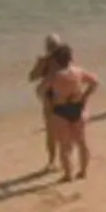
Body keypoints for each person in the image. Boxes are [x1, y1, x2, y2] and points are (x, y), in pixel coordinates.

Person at [39, 41, 97, 181]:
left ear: (55, 61)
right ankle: (83, 171)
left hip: (60, 110)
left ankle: (68, 174)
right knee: (81, 142)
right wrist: (84, 96)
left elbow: (40, 90)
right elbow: (95, 82)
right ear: (70, 58)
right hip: (77, 107)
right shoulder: (78, 71)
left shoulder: (54, 76)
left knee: (64, 146)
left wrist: (49, 102)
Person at [29, 32, 67, 170]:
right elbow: (32, 76)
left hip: (60, 97)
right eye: (50, 45)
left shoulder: (64, 59)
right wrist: (41, 65)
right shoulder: (48, 61)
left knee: (58, 130)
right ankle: (53, 160)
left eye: (53, 45)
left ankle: (58, 159)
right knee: (52, 131)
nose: (52, 48)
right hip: (52, 99)